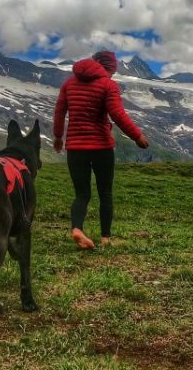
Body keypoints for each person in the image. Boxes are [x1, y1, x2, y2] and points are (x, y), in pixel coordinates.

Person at [52, 50, 149, 249]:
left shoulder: (69, 84)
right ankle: (105, 239)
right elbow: (117, 114)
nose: (112, 75)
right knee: (105, 193)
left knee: (82, 194)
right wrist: (137, 136)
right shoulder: (108, 85)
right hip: (101, 147)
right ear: (109, 68)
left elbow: (60, 111)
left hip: (76, 148)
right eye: (113, 71)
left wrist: (58, 137)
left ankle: (77, 229)